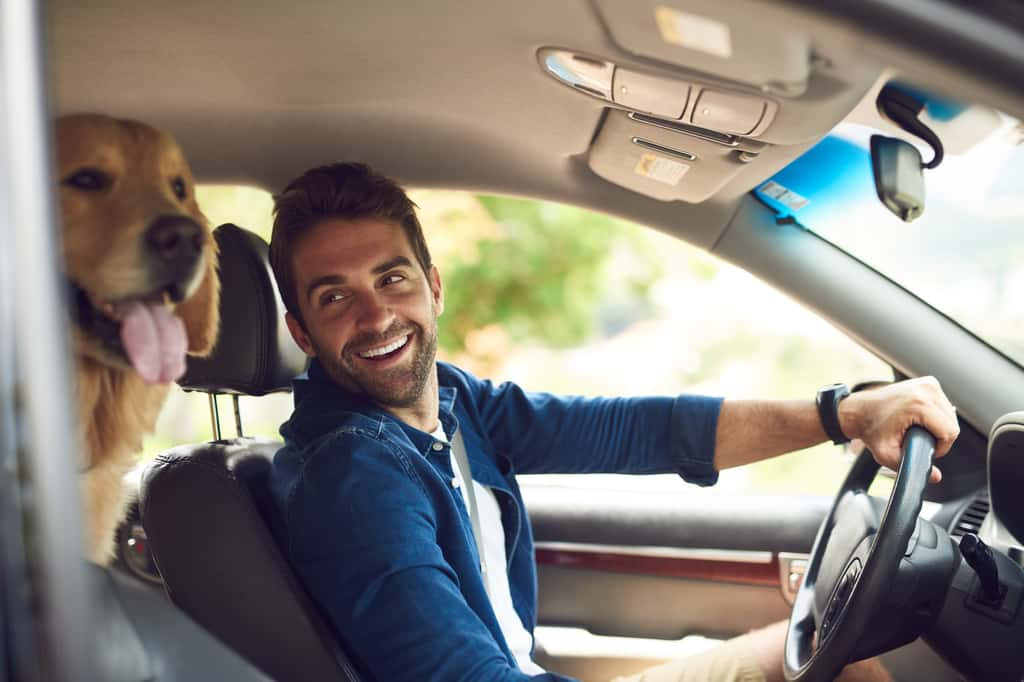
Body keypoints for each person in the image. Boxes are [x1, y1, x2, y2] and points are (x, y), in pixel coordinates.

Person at [266, 162, 960, 682]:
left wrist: (842, 413)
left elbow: (639, 430)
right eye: (335, 297)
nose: (378, 316)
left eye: (393, 279)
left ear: (433, 285)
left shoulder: (452, 403)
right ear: (301, 331)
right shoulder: (351, 475)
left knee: (839, 664)